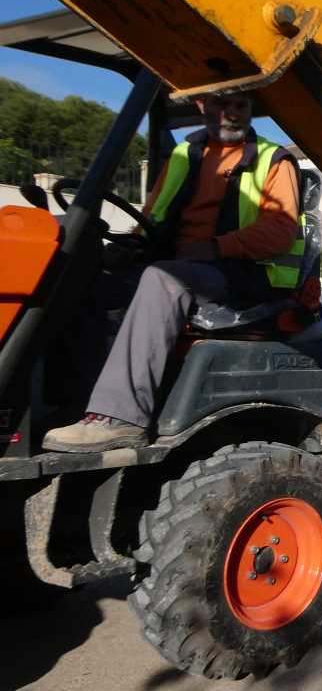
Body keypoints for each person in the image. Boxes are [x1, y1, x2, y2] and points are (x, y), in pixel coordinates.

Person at [43, 91, 302, 452]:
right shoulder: (184, 155)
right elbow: (153, 217)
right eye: (219, 104)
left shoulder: (273, 159)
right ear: (201, 106)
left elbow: (280, 230)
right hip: (185, 265)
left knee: (164, 281)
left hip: (243, 274)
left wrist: (215, 247)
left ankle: (122, 418)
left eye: (240, 106)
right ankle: (80, 402)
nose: (230, 114)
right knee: (91, 283)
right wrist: (127, 248)